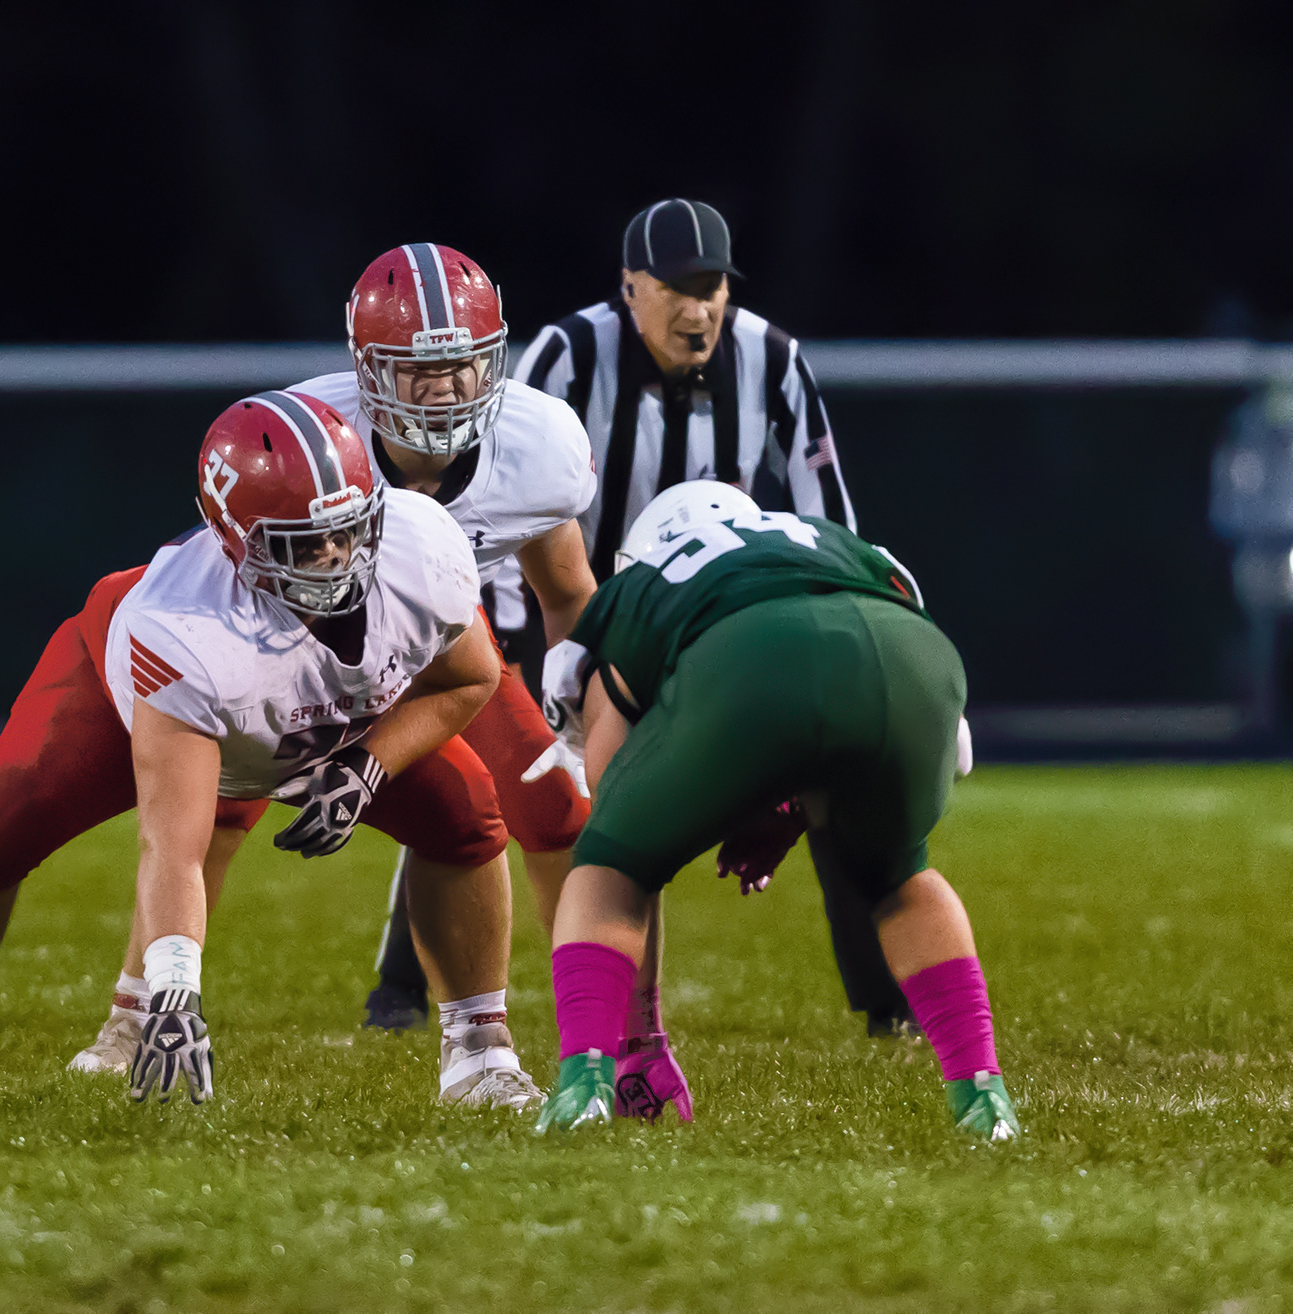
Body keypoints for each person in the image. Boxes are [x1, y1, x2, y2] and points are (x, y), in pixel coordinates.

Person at [0, 389, 545, 1110]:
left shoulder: (419, 547)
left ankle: (480, 1052)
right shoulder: (183, 630)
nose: (336, 556)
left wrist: (369, 767)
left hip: (337, 720)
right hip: (125, 702)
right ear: (236, 542)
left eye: (347, 529)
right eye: (303, 543)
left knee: (467, 817)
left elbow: (471, 679)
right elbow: (174, 847)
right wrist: (175, 996)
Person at [68, 243, 599, 1055]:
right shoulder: (310, 434)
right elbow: (236, 556)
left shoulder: (538, 444)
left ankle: (571, 1027)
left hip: (443, 643)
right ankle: (138, 1012)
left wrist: (581, 718)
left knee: (541, 808)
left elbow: (566, 591)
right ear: (365, 368)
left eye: (462, 364)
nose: (445, 388)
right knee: (217, 812)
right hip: (298, 640)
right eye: (417, 369)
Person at [511, 197, 924, 1039]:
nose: (698, 310)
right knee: (514, 781)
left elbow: (827, 515)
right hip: (587, 614)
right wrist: (526, 635)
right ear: (630, 287)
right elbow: (506, 494)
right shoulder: (567, 355)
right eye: (677, 288)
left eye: (713, 289)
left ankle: (887, 1003)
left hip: (715, 625)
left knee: (838, 783)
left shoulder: (771, 357)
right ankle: (412, 989)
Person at [531, 481, 1019, 1141]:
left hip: (749, 658)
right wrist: (783, 808)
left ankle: (583, 1086)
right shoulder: (842, 546)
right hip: (913, 659)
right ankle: (983, 1098)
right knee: (898, 877)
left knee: (609, 865)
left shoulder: (641, 586)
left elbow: (613, 792)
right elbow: (927, 738)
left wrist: (718, 801)